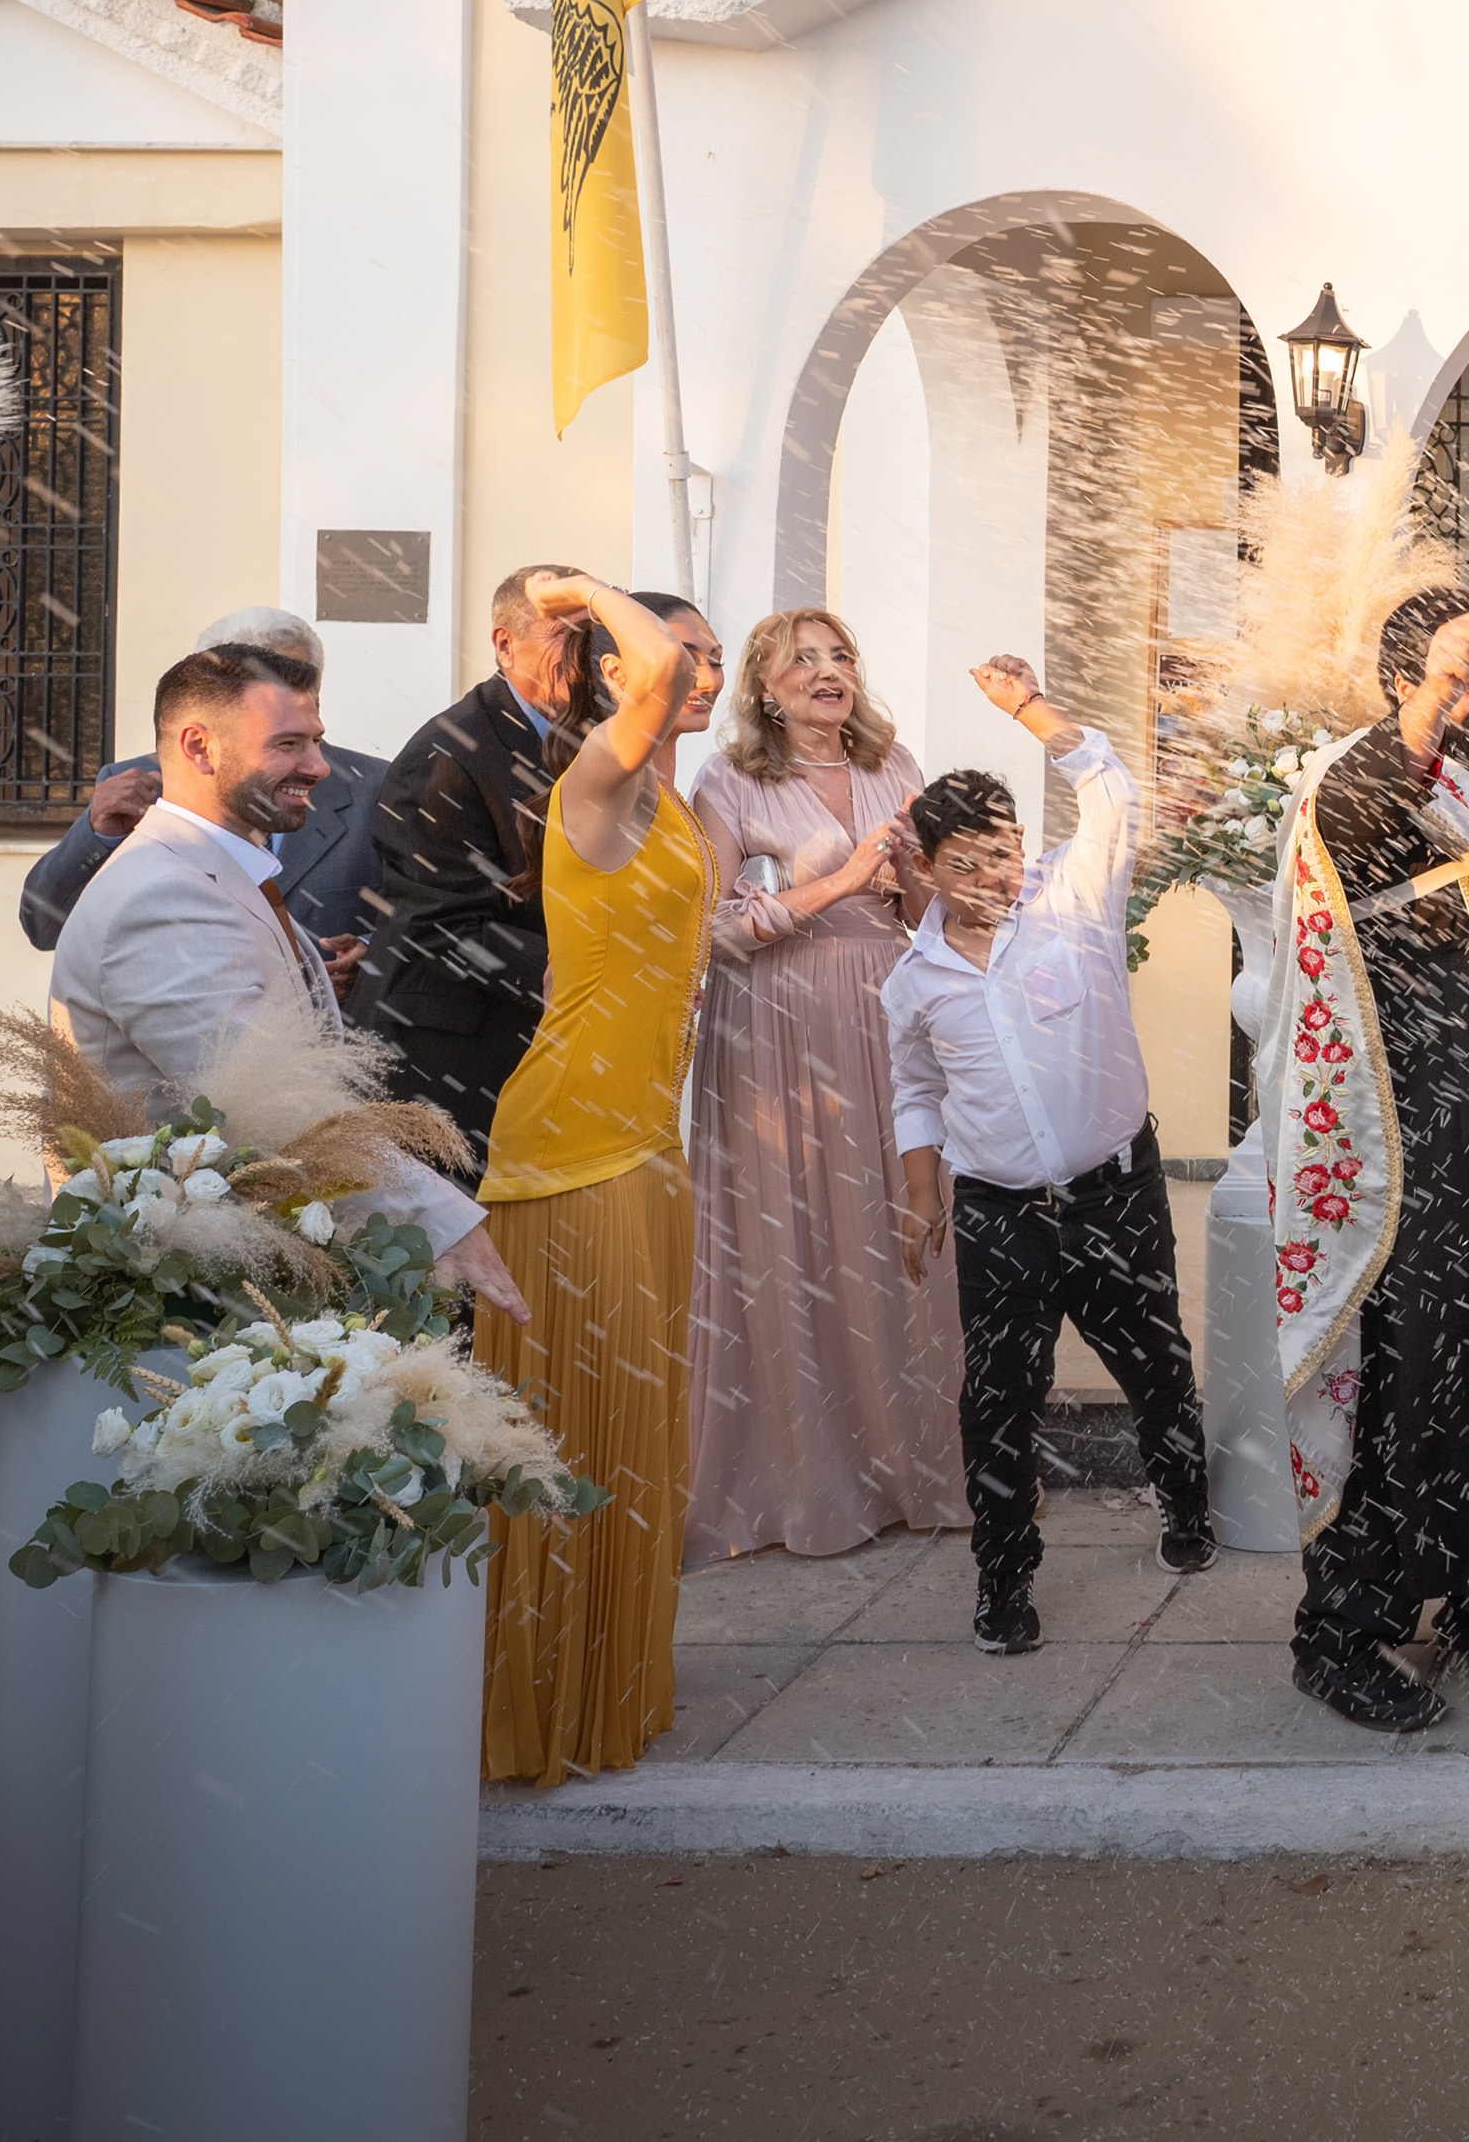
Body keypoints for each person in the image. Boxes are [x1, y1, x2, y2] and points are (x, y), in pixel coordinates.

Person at [1264, 588, 1469, 1734]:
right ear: (1407, 682)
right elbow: (1356, 829)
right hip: (1410, 1157)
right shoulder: (1365, 778)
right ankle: (1342, 1631)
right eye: (1465, 673)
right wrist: (1433, 702)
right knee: (1411, 1383)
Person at [886, 656, 1209, 1654]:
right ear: (925, 868)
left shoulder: (1076, 897)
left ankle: (1185, 1499)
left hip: (1114, 1193)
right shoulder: (913, 983)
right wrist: (920, 1197)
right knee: (998, 1397)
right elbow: (915, 1093)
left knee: (1155, 1361)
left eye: (1006, 849)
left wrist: (1026, 708)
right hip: (1000, 1211)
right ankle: (1003, 1581)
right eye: (968, 861)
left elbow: (1109, 783)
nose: (995, 874)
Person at [45, 642, 520, 1310]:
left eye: (316, 741)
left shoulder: (215, 870)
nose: (319, 766)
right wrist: (441, 1220)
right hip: (175, 1291)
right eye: (288, 744)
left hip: (239, 1269)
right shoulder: (162, 895)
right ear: (199, 747)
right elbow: (267, 1104)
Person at [473, 577, 721, 1784]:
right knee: (573, 1438)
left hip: (646, 1141)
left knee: (637, 1443)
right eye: (685, 653)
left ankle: (608, 1687)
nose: (704, 675)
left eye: (713, 655)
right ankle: (539, 1702)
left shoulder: (659, 795)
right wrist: (575, 589)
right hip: (572, 1150)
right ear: (619, 670)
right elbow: (654, 676)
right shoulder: (592, 782)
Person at [685, 605, 962, 1566]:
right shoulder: (727, 779)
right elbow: (707, 929)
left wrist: (919, 874)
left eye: (839, 654)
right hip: (776, 1024)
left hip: (887, 1009)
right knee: (793, 1225)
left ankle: (914, 1465)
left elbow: (928, 909)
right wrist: (840, 883)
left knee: (900, 1214)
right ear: (765, 688)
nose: (825, 671)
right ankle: (806, 1477)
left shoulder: (896, 764)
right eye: (799, 659)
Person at [349, 563, 589, 1161]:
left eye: (594, 635)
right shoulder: (449, 752)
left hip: (546, 1041)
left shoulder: (598, 736)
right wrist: (585, 972)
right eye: (565, 634)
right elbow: (437, 924)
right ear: (505, 644)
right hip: (452, 1051)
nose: (583, 652)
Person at [21, 608, 385, 960]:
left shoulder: (377, 789)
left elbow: (412, 922)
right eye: (241, 678)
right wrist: (97, 835)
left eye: (289, 678)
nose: (276, 692)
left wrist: (371, 958)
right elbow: (45, 926)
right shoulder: (132, 790)